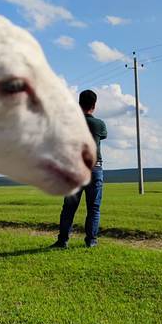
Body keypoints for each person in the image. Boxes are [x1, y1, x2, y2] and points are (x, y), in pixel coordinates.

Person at [52, 89, 107, 248]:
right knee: (94, 208)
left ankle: (63, 241)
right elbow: (103, 135)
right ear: (94, 105)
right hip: (95, 169)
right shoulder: (99, 124)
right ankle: (91, 241)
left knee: (69, 208)